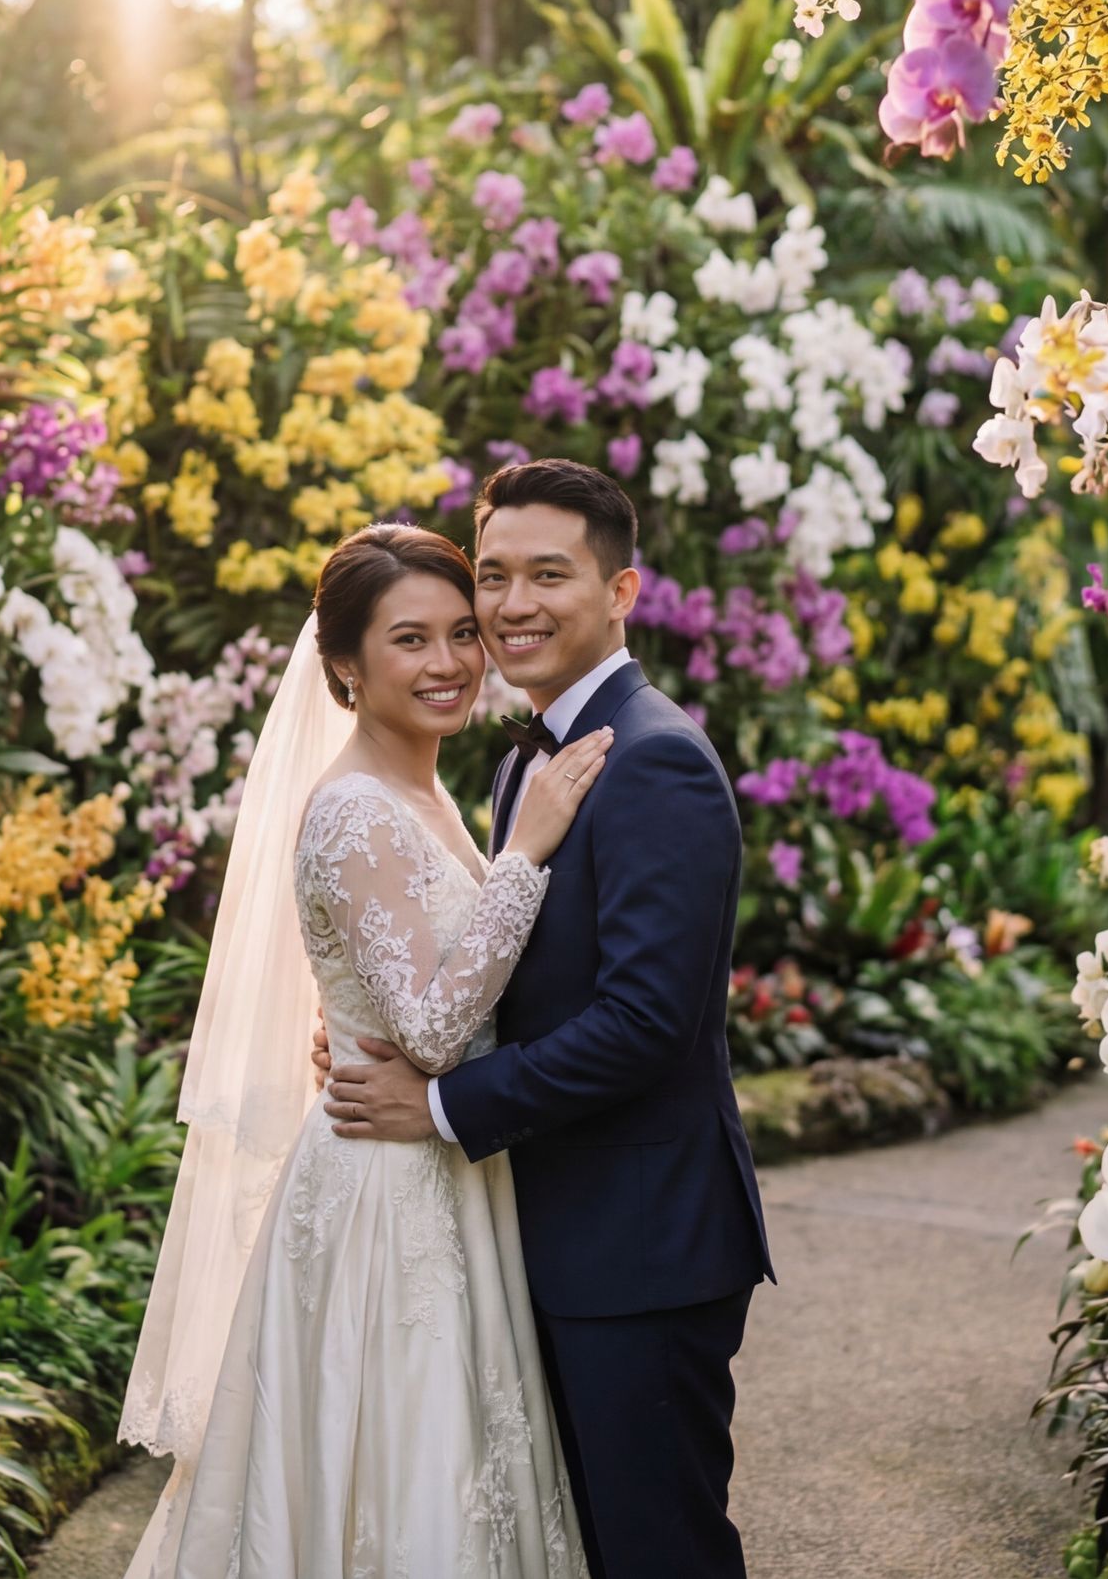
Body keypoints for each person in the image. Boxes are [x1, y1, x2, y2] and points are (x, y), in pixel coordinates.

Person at [119, 521, 612, 1577]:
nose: (449, 664)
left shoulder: (425, 793)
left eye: (461, 634)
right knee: (399, 1459)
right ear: (345, 664)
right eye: (410, 640)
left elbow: (408, 983)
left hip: (438, 1166)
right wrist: (525, 856)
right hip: (386, 1194)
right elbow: (432, 1030)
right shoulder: (353, 810)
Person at [325, 459, 773, 1579]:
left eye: (548, 575)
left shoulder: (653, 761)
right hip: (555, 1229)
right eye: (493, 575)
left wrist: (437, 1103)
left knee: (659, 1550)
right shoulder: (536, 760)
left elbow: (644, 1024)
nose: (511, 604)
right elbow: (509, 970)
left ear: (620, 591)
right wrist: (375, 1025)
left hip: (640, 1243)